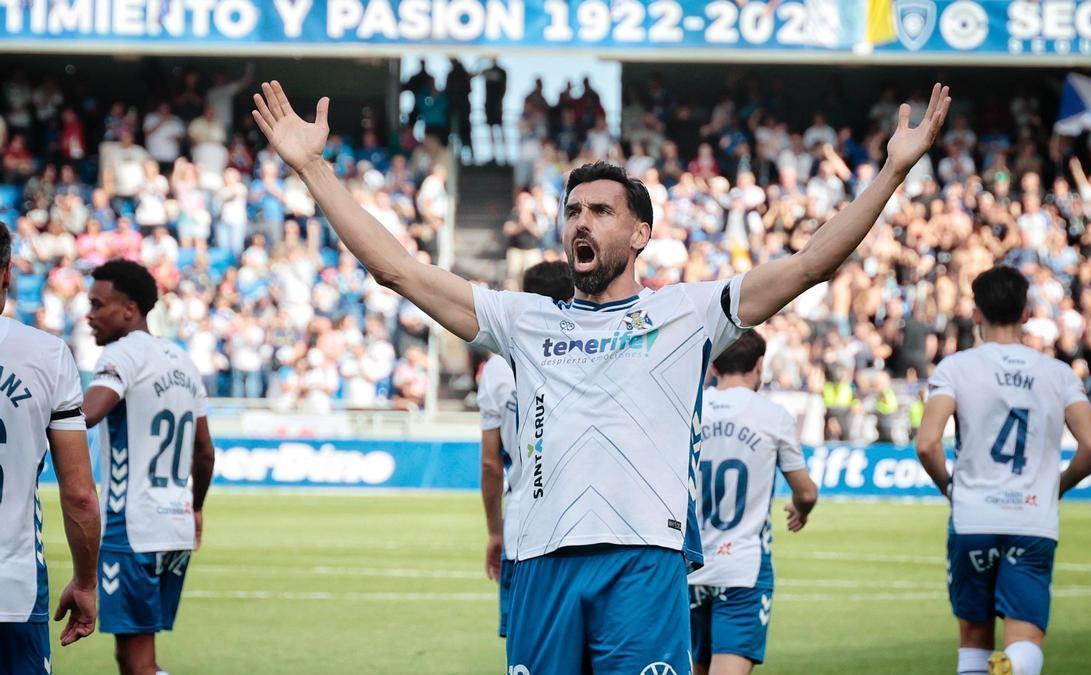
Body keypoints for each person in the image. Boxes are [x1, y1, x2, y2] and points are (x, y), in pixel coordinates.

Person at [253, 79, 950, 673]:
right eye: (573, 211)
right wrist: (315, 170)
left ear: (639, 232)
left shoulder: (689, 312)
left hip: (642, 564)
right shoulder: (525, 320)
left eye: (600, 211)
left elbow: (808, 267)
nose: (579, 222)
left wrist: (891, 172)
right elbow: (398, 268)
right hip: (540, 565)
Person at [915, 266, 1091, 675]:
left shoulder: (956, 368)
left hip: (974, 516)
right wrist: (1057, 486)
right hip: (1033, 517)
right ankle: (1015, 667)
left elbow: (927, 443)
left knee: (973, 638)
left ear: (976, 313)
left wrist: (950, 487)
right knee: (1026, 638)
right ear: (1025, 313)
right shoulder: (1057, 374)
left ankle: (1003, 669)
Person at [81, 259, 215, 675]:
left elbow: (87, 414)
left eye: (98, 304)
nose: (89, 314)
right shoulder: (183, 361)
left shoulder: (122, 355)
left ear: (129, 309)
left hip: (132, 526)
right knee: (136, 657)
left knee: (138, 664)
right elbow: (205, 451)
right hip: (173, 526)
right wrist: (195, 508)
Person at [0, 224, 101, 674]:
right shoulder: (47, 354)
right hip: (12, 592)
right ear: (7, 273)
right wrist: (85, 581)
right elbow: (79, 494)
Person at [687, 330, 818, 675]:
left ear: (713, 365)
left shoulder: (689, 411)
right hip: (742, 567)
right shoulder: (772, 416)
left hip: (689, 568)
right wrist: (800, 510)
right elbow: (805, 492)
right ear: (759, 365)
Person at [478, 261, 574, 639]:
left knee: (529, 652)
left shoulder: (498, 368)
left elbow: (489, 463)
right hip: (580, 529)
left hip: (523, 529)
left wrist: (494, 531)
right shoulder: (585, 353)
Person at [481, 59, 507, 163]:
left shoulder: (501, 71)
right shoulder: (486, 71)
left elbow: (504, 87)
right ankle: (494, 154)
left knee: (499, 129)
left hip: (496, 104)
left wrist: (500, 102)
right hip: (490, 104)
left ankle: (504, 154)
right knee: (491, 130)